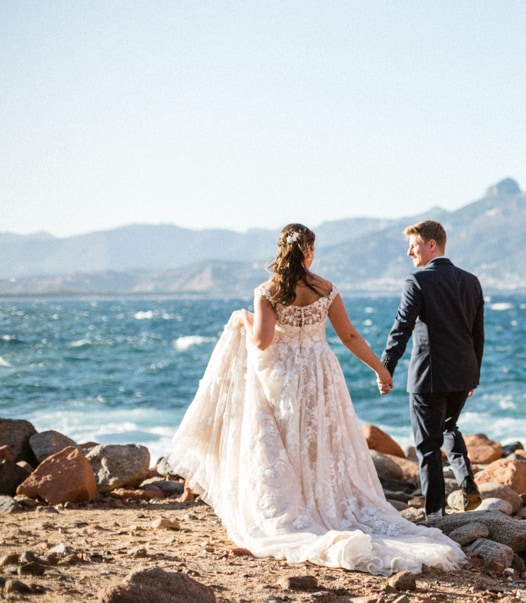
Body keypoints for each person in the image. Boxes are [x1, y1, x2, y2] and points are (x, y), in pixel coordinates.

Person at [168, 223, 465, 575]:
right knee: (320, 440)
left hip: (280, 375)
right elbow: (350, 336)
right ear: (309, 251)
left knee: (283, 441)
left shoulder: (267, 291)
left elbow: (261, 342)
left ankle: (295, 507)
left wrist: (244, 322)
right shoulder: (327, 289)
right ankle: (323, 501)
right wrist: (379, 370)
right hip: (321, 375)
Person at [381, 220, 485, 518]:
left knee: (427, 446)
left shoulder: (418, 281)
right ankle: (466, 482)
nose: (409, 252)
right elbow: (478, 334)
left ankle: (435, 515)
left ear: (431, 245)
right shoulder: (471, 281)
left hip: (428, 377)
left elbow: (401, 328)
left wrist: (386, 367)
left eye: (413, 246)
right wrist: (473, 375)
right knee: (449, 426)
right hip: (463, 373)